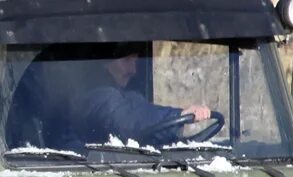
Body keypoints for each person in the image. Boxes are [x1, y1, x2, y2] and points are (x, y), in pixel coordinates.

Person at [61, 50, 211, 147]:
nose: (133, 70)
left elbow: (137, 109)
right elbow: (125, 117)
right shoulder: (96, 96)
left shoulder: (127, 96)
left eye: (135, 61)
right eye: (126, 61)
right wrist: (177, 116)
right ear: (105, 63)